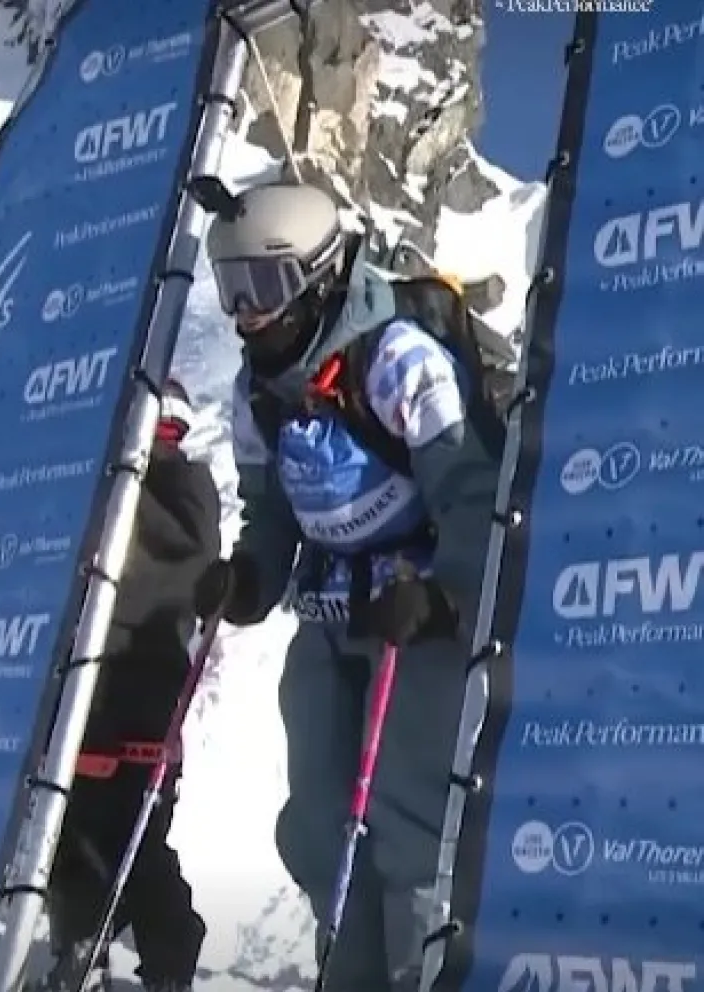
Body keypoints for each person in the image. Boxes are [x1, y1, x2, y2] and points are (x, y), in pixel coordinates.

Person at [193, 180, 500, 992]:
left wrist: (444, 596)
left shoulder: (398, 360)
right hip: (329, 613)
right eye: (231, 289)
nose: (246, 314)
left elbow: (471, 493)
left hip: (415, 616)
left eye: (263, 286)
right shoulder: (258, 394)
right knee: (316, 825)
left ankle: (420, 975)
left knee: (406, 821)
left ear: (319, 277)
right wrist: (248, 578)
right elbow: (270, 514)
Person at [37, 378, 221, 992]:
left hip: (125, 687)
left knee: (112, 833)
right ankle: (98, 950)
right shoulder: (170, 492)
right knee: (98, 831)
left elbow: (161, 578)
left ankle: (140, 955)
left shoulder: (157, 492)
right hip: (121, 689)